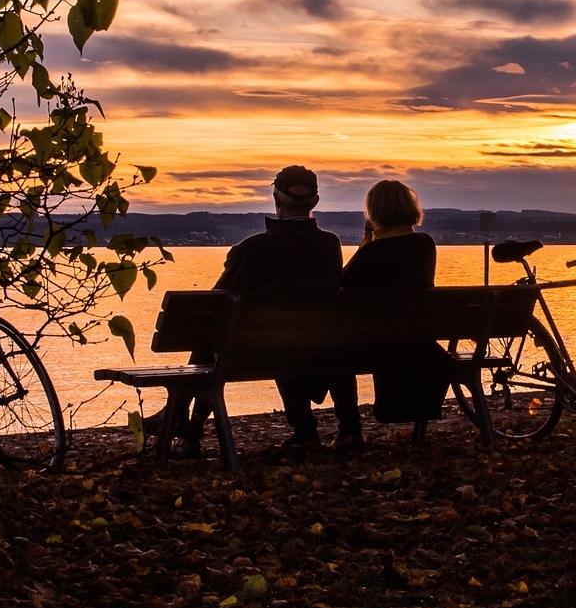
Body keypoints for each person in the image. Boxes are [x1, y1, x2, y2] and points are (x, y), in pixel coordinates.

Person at [173, 165, 356, 455]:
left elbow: (212, 304)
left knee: (212, 336)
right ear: (315, 202)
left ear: (276, 198)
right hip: (321, 348)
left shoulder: (251, 248)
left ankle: (187, 428)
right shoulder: (329, 245)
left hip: (258, 352)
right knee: (268, 335)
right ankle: (338, 431)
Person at [340, 179, 456, 432]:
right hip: (419, 339)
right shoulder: (425, 245)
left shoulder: (372, 252)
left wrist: (367, 238)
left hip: (382, 343)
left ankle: (349, 431)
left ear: (373, 212)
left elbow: (343, 282)